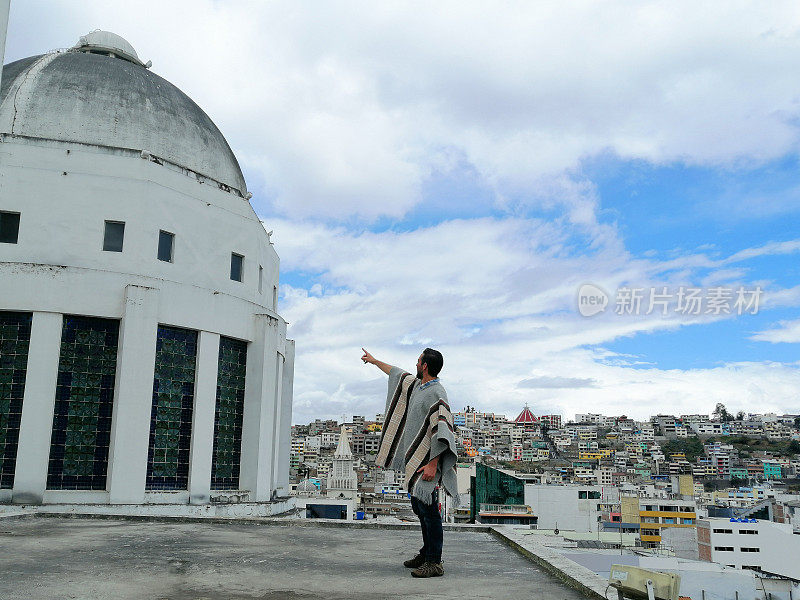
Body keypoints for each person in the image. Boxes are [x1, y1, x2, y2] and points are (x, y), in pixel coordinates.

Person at [361, 347, 459, 578]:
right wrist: (375, 361)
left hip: (428, 465)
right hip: (417, 464)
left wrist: (433, 464)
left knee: (430, 512)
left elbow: (441, 429)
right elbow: (397, 374)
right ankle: (426, 553)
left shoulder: (437, 392)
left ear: (425, 366)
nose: (415, 365)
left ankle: (434, 562)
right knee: (420, 509)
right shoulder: (418, 387)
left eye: (418, 361)